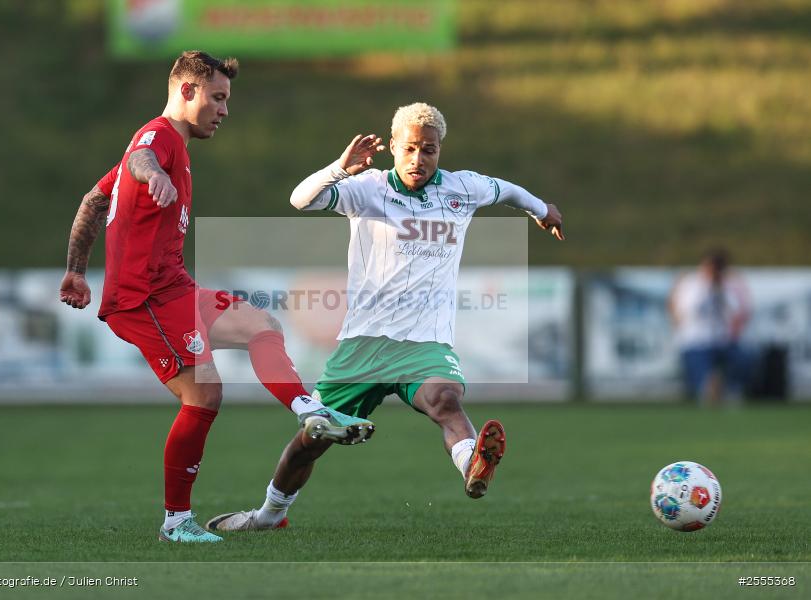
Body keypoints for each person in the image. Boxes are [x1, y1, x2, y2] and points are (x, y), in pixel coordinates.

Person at [58, 51, 374, 544]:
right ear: (187, 91)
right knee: (204, 392)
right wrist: (153, 175)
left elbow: (95, 199)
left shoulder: (173, 148)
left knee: (260, 326)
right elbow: (141, 158)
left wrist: (77, 272)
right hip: (145, 299)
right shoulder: (159, 137)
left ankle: (310, 410)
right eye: (218, 98)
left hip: (177, 288)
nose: (225, 110)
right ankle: (176, 522)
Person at [207, 102, 564, 532]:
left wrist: (541, 210)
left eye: (429, 150)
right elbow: (301, 199)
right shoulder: (368, 188)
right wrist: (341, 167)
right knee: (312, 438)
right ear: (393, 145)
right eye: (410, 148)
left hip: (424, 342)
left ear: (439, 150)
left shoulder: (462, 189)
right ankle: (269, 514)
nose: (419, 159)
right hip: (365, 343)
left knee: (445, 400)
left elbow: (506, 190)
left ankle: (473, 463)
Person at [669, 248, 751, 405]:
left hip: (722, 341)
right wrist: (707, 288)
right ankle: (707, 390)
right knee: (699, 368)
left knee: (744, 358)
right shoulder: (691, 283)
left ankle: (730, 390)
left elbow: (735, 310)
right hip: (696, 341)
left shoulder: (725, 285)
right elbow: (688, 311)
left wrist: (719, 289)